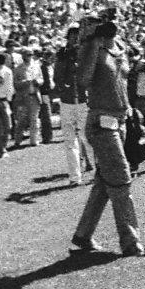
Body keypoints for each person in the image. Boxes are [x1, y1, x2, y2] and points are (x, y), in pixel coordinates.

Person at [67, 14, 145, 258]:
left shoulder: (118, 46)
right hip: (101, 122)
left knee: (104, 182)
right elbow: (83, 80)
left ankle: (83, 235)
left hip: (122, 119)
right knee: (121, 178)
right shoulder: (91, 49)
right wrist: (92, 45)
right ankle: (130, 241)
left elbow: (124, 76)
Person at [53, 23, 94, 182]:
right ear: (68, 37)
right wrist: (64, 87)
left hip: (84, 100)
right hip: (68, 101)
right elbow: (57, 77)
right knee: (70, 141)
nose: (76, 38)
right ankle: (75, 176)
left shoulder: (86, 52)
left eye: (78, 35)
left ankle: (97, 173)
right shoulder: (62, 54)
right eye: (73, 35)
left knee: (87, 137)